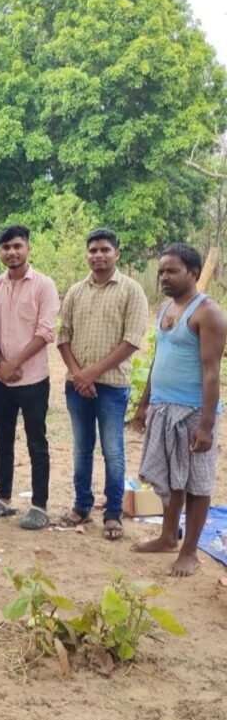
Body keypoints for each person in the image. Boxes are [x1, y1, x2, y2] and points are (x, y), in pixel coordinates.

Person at [130, 244, 226, 576]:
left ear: (194, 273)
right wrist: (144, 405)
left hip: (193, 412)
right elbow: (159, 357)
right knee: (172, 479)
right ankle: (168, 537)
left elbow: (212, 373)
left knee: (197, 484)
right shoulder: (166, 308)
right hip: (163, 407)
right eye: (161, 272)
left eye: (172, 271)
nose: (164, 277)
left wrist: (206, 425)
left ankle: (189, 552)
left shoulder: (207, 313)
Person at [57, 228, 148, 540]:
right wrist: (77, 374)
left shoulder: (131, 290)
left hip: (112, 386)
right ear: (87, 254)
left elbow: (131, 341)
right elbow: (63, 337)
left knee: (113, 451)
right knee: (82, 449)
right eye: (93, 250)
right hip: (77, 386)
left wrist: (91, 374)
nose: (98, 255)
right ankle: (81, 506)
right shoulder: (75, 291)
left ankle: (113, 513)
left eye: (105, 250)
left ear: (117, 254)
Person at [0, 225, 60, 529]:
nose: (11, 252)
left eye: (17, 246)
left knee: (37, 442)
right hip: (2, 380)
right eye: (5, 247)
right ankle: (3, 499)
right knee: (2, 439)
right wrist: (2, 362)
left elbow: (45, 332)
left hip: (34, 380)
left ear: (27, 248)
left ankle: (39, 505)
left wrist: (16, 362)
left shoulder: (44, 285)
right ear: (0, 252)